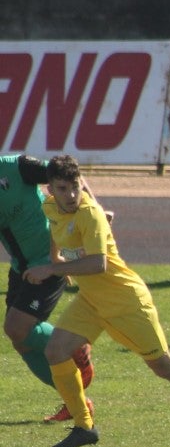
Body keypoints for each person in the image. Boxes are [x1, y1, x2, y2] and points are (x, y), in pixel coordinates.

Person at [26, 155, 170, 447]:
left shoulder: (89, 214)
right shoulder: (49, 206)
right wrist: (57, 260)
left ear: (79, 184)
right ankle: (85, 426)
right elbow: (55, 233)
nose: (71, 195)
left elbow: (98, 264)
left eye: (74, 187)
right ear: (51, 189)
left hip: (126, 302)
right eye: (63, 188)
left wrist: (51, 270)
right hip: (92, 302)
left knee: (163, 366)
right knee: (55, 350)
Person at [0, 153, 97, 422]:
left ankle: (74, 343)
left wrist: (94, 213)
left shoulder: (17, 167)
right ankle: (75, 401)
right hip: (22, 268)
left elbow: (68, 176)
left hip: (51, 258)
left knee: (17, 328)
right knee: (21, 342)